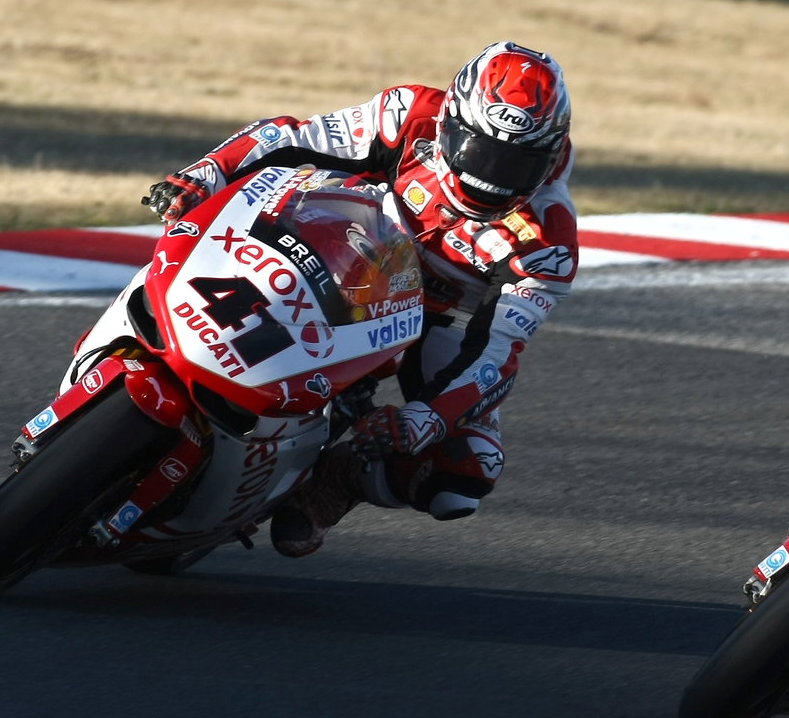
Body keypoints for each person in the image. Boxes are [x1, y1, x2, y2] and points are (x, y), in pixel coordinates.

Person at [142, 41, 577, 557]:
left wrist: (426, 419)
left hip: (425, 319)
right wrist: (204, 174)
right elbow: (291, 138)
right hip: (329, 243)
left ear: (551, 157)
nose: (490, 176)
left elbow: (495, 352)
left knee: (467, 473)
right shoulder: (408, 113)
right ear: (451, 121)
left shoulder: (548, 246)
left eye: (515, 164)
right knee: (198, 233)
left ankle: (338, 478)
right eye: (479, 150)